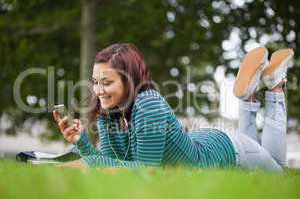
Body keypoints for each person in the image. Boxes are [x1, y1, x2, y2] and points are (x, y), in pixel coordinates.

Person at [53, 43, 293, 171]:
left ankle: (275, 88)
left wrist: (86, 164)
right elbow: (106, 163)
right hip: (204, 141)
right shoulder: (108, 113)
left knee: (277, 170)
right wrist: (81, 141)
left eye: (107, 82)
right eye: (95, 82)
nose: (98, 90)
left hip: (229, 152)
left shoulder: (148, 105)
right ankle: (250, 95)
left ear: (130, 79)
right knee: (261, 158)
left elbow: (145, 169)